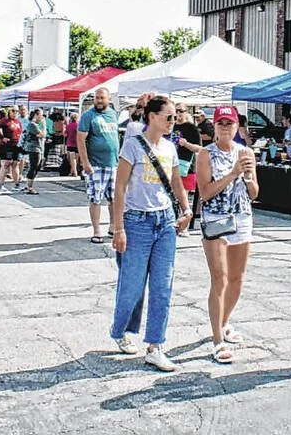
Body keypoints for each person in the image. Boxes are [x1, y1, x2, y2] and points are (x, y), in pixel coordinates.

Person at [110, 95, 193, 372]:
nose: (173, 121)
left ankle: (155, 346)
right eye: (169, 117)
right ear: (152, 117)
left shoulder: (170, 147)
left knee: (162, 286)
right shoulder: (133, 145)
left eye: (175, 117)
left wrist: (186, 209)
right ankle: (121, 331)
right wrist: (119, 227)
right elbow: (120, 187)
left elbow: (176, 181)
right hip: (136, 221)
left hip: (165, 221)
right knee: (132, 286)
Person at [195, 105, 258, 364]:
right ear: (214, 126)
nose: (225, 128)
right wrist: (233, 174)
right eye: (220, 123)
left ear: (237, 127)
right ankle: (217, 340)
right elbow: (205, 192)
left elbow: (255, 193)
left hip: (241, 216)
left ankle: (223, 322)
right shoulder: (205, 154)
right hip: (216, 218)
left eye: (229, 123)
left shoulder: (246, 152)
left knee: (237, 278)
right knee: (219, 278)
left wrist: (248, 177)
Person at [78, 89, 120, 243]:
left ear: (109, 99)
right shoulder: (88, 115)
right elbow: (80, 139)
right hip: (96, 164)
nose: (99, 100)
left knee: (114, 198)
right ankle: (96, 230)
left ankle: (113, 226)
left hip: (113, 164)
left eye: (102, 98)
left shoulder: (113, 114)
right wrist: (85, 162)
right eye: (97, 98)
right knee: (96, 198)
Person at [170, 103, 202, 235]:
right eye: (176, 111)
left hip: (186, 167)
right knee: (171, 197)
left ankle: (184, 227)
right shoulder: (170, 125)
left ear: (186, 112)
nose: (178, 114)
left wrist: (186, 144)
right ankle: (172, 224)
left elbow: (199, 148)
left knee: (184, 197)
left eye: (181, 111)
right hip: (170, 165)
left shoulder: (191, 128)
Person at [0, 109, 23, 191]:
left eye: (16, 112)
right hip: (7, 145)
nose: (15, 114)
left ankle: (17, 184)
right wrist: (2, 137)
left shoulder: (18, 122)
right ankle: (0, 184)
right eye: (13, 112)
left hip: (16, 145)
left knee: (15, 163)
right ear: (9, 113)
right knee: (6, 163)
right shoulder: (5, 121)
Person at [22, 109, 45, 195]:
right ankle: (29, 187)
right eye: (41, 115)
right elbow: (42, 134)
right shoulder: (32, 124)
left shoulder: (34, 125)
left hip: (37, 147)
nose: (42, 117)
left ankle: (28, 185)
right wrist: (44, 125)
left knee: (37, 166)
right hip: (34, 148)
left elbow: (40, 135)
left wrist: (40, 134)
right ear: (36, 115)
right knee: (34, 167)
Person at [65, 111, 80, 177]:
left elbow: (65, 134)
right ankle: (73, 171)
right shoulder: (78, 125)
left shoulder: (68, 126)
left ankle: (74, 172)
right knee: (76, 159)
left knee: (72, 159)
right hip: (77, 143)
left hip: (70, 143)